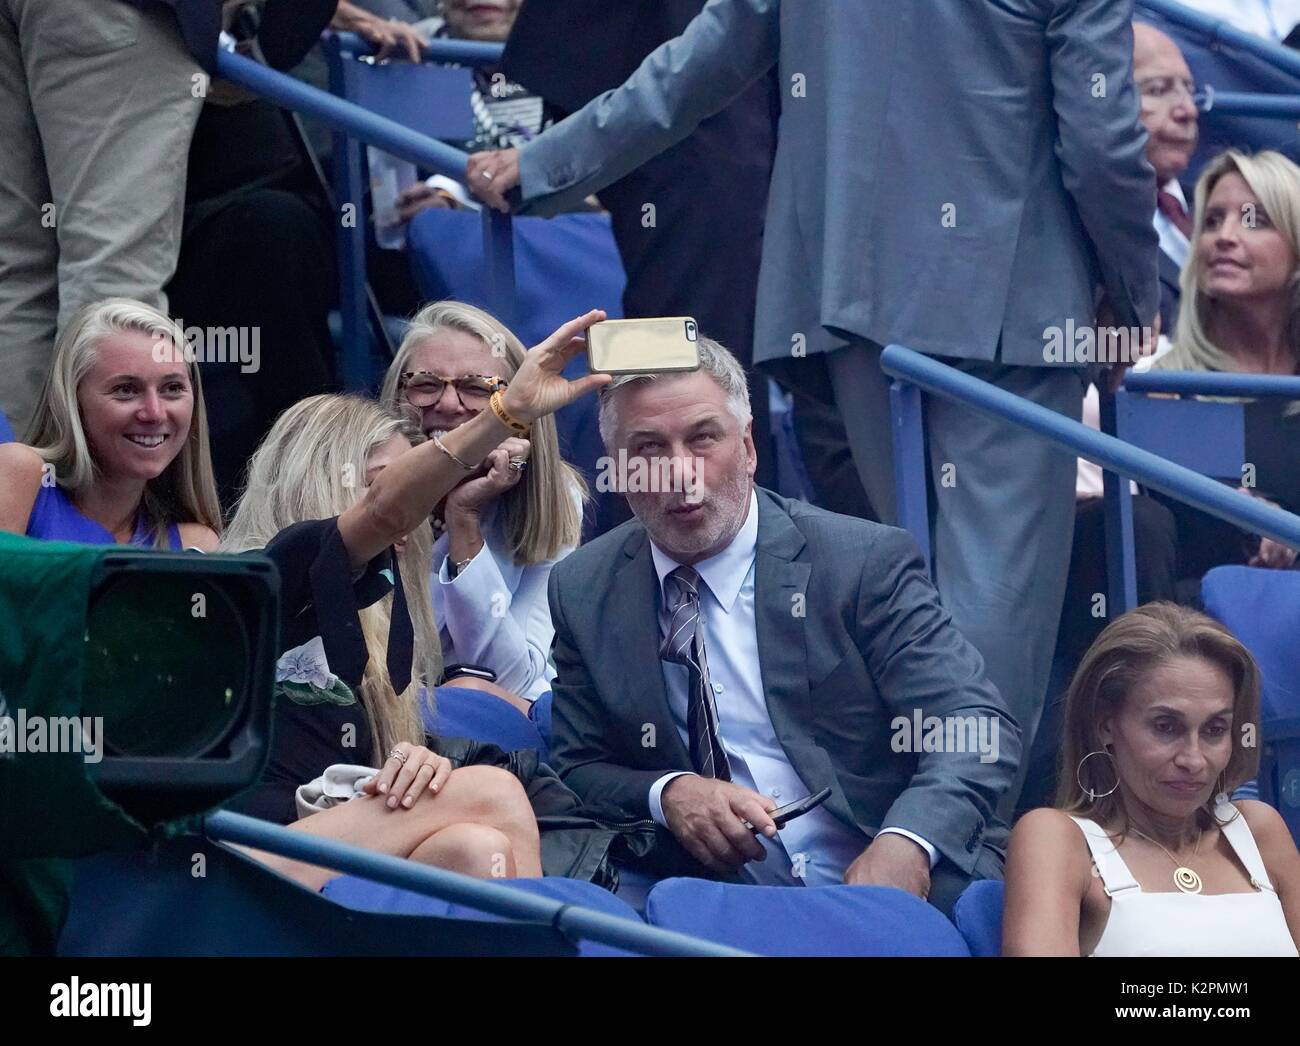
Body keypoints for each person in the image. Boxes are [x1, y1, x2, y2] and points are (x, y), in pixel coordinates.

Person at [466, 0, 1160, 817]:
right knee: (984, 612)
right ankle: (952, 861)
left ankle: (911, 845)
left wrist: (544, 163)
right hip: (1007, 304)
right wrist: (1133, 292)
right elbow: (1103, 137)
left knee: (929, 597)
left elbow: (699, 64)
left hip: (851, 299)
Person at [545, 336, 1019, 915]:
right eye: (647, 448)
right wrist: (667, 793)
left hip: (878, 868)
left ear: (747, 447)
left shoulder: (859, 561)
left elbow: (974, 728)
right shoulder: (584, 587)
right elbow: (576, 767)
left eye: (703, 438)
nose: (680, 472)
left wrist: (907, 843)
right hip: (716, 898)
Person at [218, 312, 635, 889]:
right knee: (491, 792)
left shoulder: (386, 595)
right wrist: (506, 412)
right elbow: (383, 514)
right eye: (389, 484)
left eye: (472, 388)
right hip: (232, 862)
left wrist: (414, 762)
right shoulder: (262, 581)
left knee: (474, 846)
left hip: (326, 842)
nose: (412, 512)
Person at [1004, 603, 1300, 956]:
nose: (1193, 759)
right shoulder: (1059, 839)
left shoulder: (1258, 829)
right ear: (1105, 725)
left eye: (1215, 729)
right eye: (1165, 727)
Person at [0, 0, 206, 436]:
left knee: (18, 271)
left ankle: (20, 496)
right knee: (113, 288)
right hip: (120, 15)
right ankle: (82, 501)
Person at [380, 301, 586, 708]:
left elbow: (513, 678)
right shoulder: (358, 481)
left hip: (490, 728)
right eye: (425, 384)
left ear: (521, 411)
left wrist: (464, 521)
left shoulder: (557, 496)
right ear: (397, 394)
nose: (449, 404)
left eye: (476, 388)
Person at [0, 298, 222, 550]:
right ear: (72, 401)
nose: (155, 413)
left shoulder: (194, 544)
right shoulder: (20, 474)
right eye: (126, 390)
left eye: (172, 388)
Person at [1134, 22, 1201, 336]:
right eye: (1158, 90)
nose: (1187, 110)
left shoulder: (1222, 206)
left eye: (1189, 90)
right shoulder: (1069, 219)